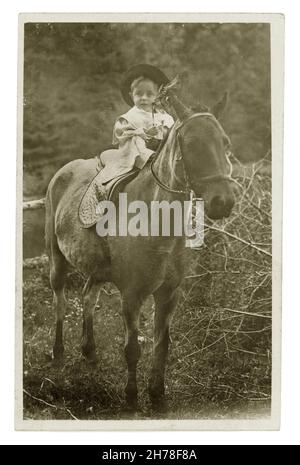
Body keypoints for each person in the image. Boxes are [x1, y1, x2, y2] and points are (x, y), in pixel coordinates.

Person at [98, 64, 174, 186]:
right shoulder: (129, 117)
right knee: (134, 139)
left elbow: (169, 131)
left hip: (162, 152)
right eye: (139, 94)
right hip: (136, 153)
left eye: (149, 94)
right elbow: (122, 133)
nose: (144, 98)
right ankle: (146, 159)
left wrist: (162, 131)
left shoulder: (164, 116)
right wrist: (142, 132)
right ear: (131, 95)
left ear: (156, 96)